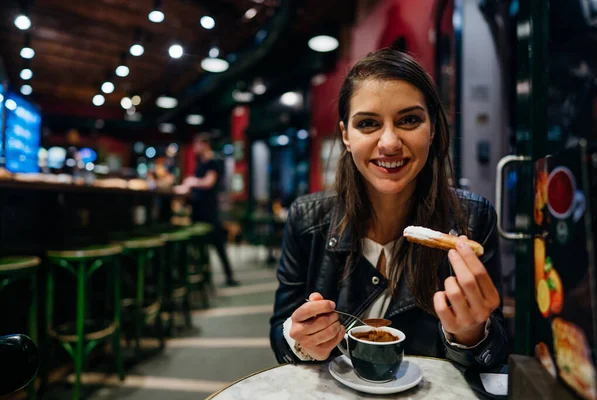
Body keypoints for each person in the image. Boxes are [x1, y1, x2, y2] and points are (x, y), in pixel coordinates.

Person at [269, 48, 507, 367]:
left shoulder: (473, 219)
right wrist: (300, 339)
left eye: (409, 120)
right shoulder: (307, 218)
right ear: (346, 135)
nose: (390, 142)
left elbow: (494, 355)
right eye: (368, 123)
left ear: (433, 128)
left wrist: (471, 334)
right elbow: (281, 334)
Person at [179, 133, 238, 286]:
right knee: (203, 246)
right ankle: (206, 277)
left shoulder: (213, 162)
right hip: (199, 209)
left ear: (205, 144)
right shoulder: (202, 163)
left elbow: (208, 183)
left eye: (197, 144)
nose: (195, 148)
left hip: (209, 210)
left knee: (218, 244)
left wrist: (191, 182)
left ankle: (228, 276)